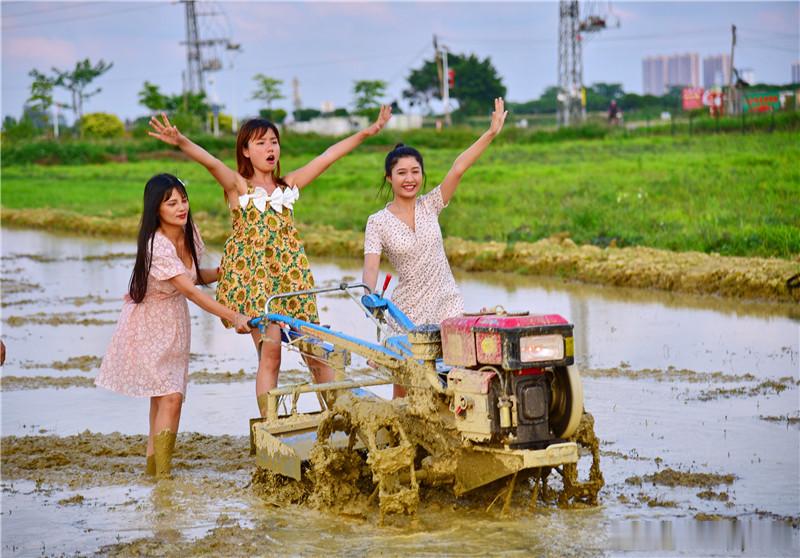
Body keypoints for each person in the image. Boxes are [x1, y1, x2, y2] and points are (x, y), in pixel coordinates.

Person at [148, 107, 392, 416]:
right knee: (271, 352)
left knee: (316, 352)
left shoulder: (287, 187)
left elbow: (328, 156)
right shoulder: (239, 187)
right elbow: (209, 162)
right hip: (257, 285)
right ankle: (270, 425)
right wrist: (181, 140)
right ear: (246, 151)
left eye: (274, 141)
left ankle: (342, 417)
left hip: (292, 281)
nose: (270, 148)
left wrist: (367, 132)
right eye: (261, 142)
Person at [95, 174, 251, 478]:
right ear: (157, 209)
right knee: (170, 396)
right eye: (171, 202)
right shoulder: (157, 245)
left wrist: (223, 272)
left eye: (183, 199)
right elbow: (190, 291)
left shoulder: (188, 232)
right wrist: (234, 317)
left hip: (175, 324)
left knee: (163, 396)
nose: (181, 207)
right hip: (149, 324)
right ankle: (163, 478)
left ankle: (153, 472)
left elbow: (193, 278)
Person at [362, 98, 507, 397]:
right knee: (405, 384)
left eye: (415, 171)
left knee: (453, 375)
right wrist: (368, 295)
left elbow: (458, 167)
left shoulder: (431, 205)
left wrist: (491, 132)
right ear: (389, 178)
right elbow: (371, 268)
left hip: (446, 301)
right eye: (402, 173)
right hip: (406, 310)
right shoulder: (377, 222)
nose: (410, 179)